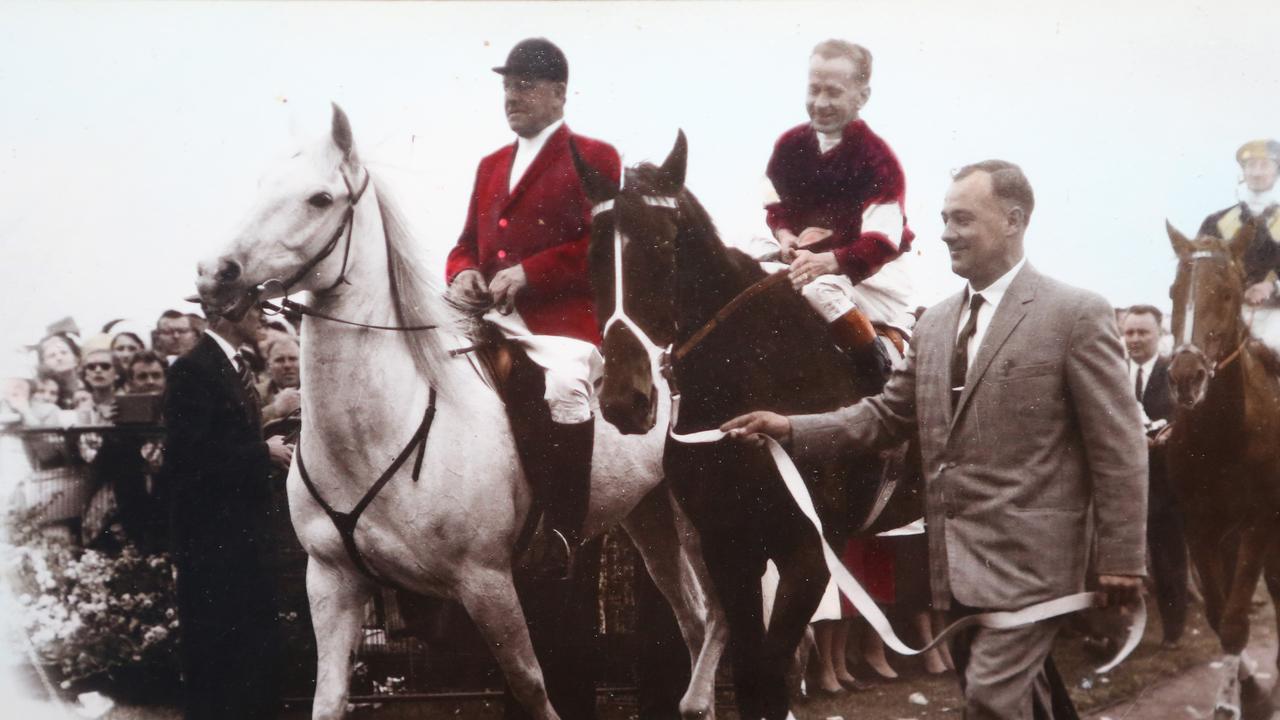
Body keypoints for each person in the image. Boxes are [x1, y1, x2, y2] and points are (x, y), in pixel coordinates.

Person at [724, 160, 1148, 719]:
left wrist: (1122, 558)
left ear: (1014, 220)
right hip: (954, 569)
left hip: (1035, 569)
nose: (945, 232)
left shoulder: (1075, 314)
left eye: (963, 219)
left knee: (992, 703)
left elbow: (1118, 447)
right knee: (1028, 701)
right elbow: (882, 418)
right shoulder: (934, 323)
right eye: (945, 218)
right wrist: (791, 427)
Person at [444, 37, 618, 720]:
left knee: (562, 388)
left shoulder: (594, 156)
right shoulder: (489, 165)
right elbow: (465, 240)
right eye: (508, 85)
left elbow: (604, 242)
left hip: (563, 323)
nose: (513, 97)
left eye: (526, 85)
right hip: (492, 323)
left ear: (558, 93)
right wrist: (461, 270)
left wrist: (534, 270)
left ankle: (565, 529)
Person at [161, 305, 291, 719]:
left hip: (244, 534)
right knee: (218, 653)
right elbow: (188, 455)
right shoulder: (192, 369)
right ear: (229, 312)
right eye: (255, 308)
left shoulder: (232, 364)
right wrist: (261, 452)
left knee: (250, 649)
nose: (262, 318)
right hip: (213, 540)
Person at [754, 39, 916, 354]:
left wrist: (829, 261)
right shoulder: (789, 144)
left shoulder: (878, 159)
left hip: (872, 271)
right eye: (814, 90)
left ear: (862, 97)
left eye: (834, 92)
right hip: (809, 258)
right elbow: (775, 206)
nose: (821, 102)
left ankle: (878, 371)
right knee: (742, 257)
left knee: (820, 291)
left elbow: (882, 241)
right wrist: (785, 236)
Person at [1123, 304, 1187, 648]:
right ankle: (1121, 631)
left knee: (1168, 559)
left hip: (1164, 483)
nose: (1134, 339)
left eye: (1142, 332)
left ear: (1159, 334)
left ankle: (1173, 631)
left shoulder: (1174, 371)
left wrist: (1173, 433)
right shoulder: (1114, 372)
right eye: (1129, 332)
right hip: (1124, 484)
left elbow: (1188, 415)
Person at [259, 336, 301, 425]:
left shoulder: (318, 392)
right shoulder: (256, 394)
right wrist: (275, 409)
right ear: (268, 367)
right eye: (280, 360)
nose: (287, 365)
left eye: (293, 359)